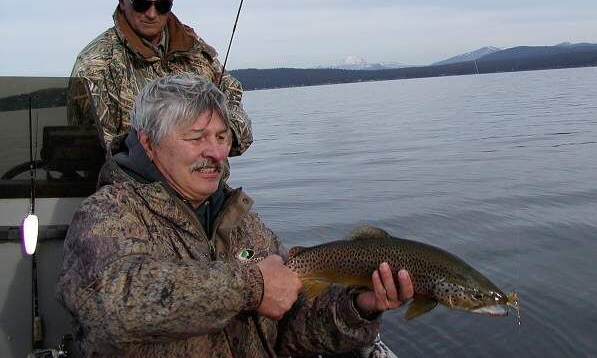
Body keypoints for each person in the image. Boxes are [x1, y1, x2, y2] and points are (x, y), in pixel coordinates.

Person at [56, 74, 414, 358]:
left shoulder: (243, 223)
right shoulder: (108, 215)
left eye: (222, 137)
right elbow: (115, 306)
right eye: (197, 137)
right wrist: (254, 286)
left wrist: (360, 307)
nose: (215, 153)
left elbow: (293, 333)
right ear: (148, 143)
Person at [68, 0, 252, 159]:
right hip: (136, 188)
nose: (152, 13)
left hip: (209, 186)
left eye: (163, 5)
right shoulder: (96, 64)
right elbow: (95, 153)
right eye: (141, 4)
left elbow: (235, 109)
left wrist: (221, 138)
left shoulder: (195, 52)